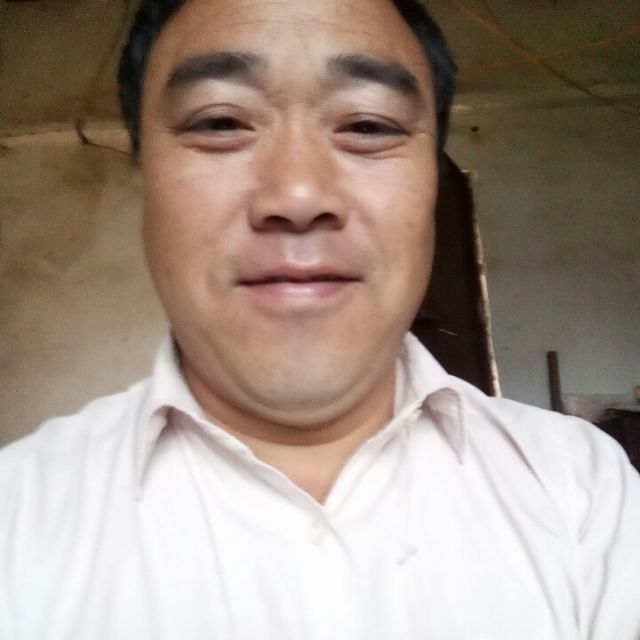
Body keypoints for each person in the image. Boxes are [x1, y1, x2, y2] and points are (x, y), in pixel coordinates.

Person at [1, 0, 639, 638]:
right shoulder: (19, 518)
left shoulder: (580, 492)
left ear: (432, 179)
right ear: (145, 181)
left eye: (368, 125)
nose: (298, 195)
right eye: (220, 121)